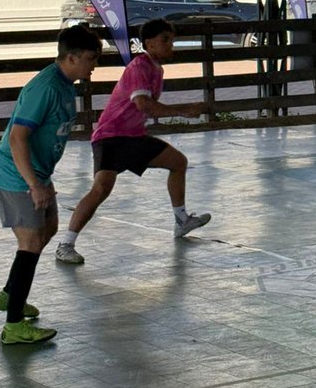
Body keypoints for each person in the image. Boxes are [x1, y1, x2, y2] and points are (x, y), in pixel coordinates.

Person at [55, 18, 209, 266]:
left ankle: (181, 220)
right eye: (165, 40)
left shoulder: (156, 68)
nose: (171, 45)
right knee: (101, 190)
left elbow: (144, 109)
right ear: (148, 43)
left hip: (133, 137)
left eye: (172, 40)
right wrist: (182, 110)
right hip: (112, 137)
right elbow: (143, 104)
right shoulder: (140, 66)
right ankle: (66, 245)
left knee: (178, 162)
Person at [0, 25, 102, 345]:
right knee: (31, 242)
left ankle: (10, 294)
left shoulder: (68, 84)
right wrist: (33, 184)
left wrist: (43, 180)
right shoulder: (46, 88)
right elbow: (17, 137)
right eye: (90, 58)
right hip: (15, 175)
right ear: (70, 57)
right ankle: (13, 327)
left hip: (38, 174)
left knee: (49, 229)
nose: (94, 65)